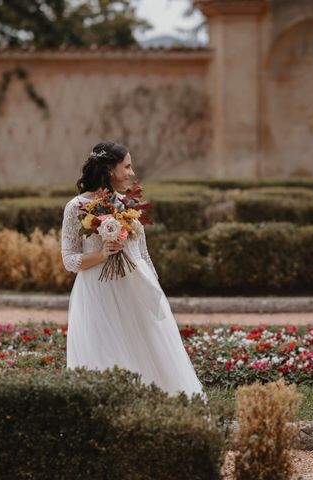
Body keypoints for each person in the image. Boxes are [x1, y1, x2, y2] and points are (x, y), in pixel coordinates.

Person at [61, 141, 204, 397]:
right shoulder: (76, 207)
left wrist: (154, 289)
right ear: (109, 169)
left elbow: (143, 253)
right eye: (127, 166)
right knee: (105, 352)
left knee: (151, 351)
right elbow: (69, 259)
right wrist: (102, 254)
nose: (132, 173)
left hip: (136, 290)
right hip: (98, 293)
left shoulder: (130, 205)